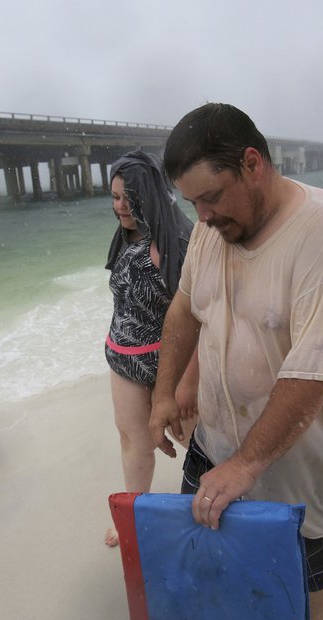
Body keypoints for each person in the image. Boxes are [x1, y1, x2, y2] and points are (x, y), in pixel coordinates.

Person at [149, 104, 323, 620]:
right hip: (218, 444)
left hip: (312, 465)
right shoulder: (217, 229)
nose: (203, 216)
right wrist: (166, 393)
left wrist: (247, 464)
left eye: (211, 197)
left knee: (307, 582)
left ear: (252, 163)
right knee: (218, 562)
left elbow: (313, 371)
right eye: (192, 204)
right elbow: (185, 309)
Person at [104, 149, 198, 548]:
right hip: (123, 358)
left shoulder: (181, 239)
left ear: (151, 194)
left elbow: (200, 317)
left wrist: (186, 381)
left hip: (171, 361)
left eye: (128, 197)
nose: (120, 206)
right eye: (114, 196)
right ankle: (135, 520)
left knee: (196, 442)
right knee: (133, 441)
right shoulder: (127, 232)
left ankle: (206, 515)